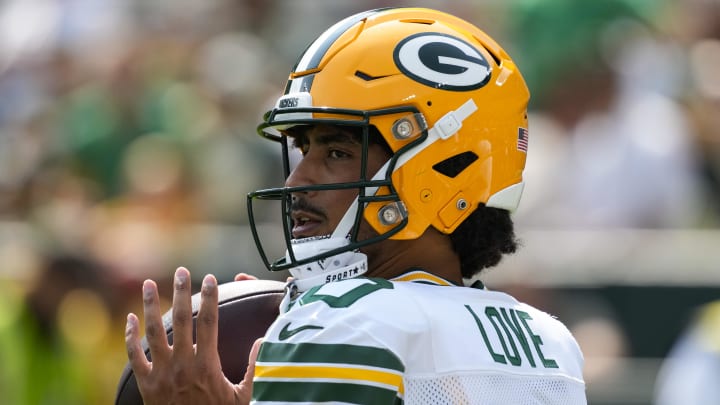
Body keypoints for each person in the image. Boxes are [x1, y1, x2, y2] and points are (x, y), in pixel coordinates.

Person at [124, 7, 587, 404]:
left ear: (442, 171)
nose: (297, 179)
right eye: (304, 150)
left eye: (337, 153)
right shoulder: (548, 340)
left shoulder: (346, 322)